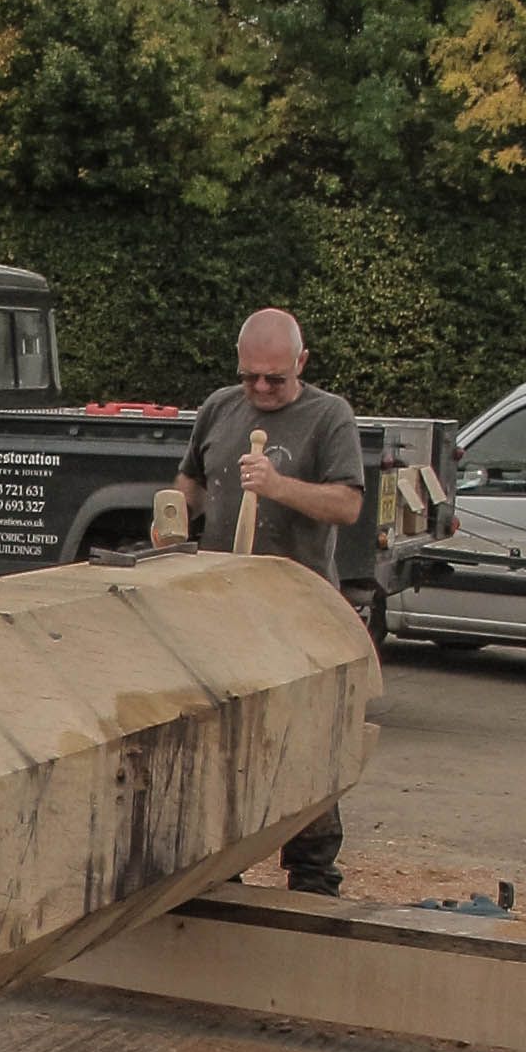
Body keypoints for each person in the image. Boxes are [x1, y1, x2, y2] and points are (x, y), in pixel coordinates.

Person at [176, 308, 367, 894]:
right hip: (223, 609)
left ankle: (312, 878)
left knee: (303, 743)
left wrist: (277, 486)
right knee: (224, 741)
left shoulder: (329, 416)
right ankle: (220, 868)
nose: (260, 388)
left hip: (297, 614)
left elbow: (347, 505)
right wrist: (172, 513)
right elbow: (191, 483)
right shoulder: (219, 408)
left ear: (301, 363)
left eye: (274, 379)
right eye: (250, 376)